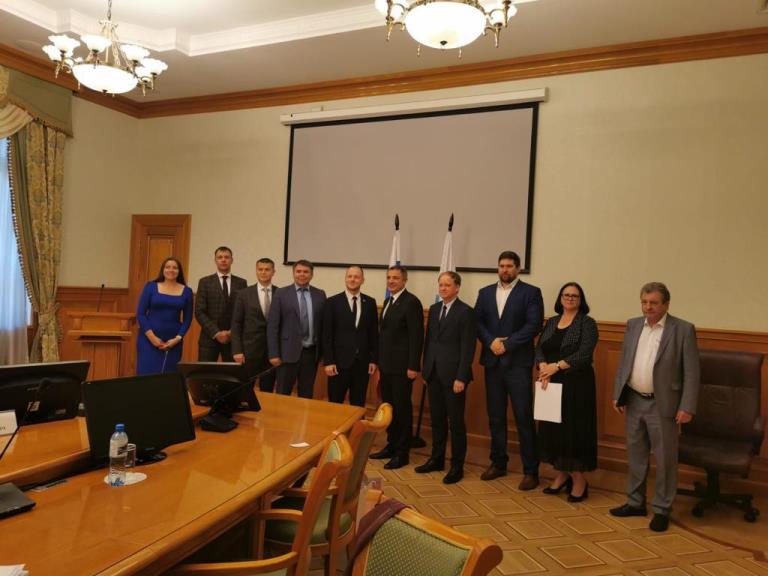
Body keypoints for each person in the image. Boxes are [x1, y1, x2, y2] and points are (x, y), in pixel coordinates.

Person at [611, 282, 700, 532]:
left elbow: (692, 372)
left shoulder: (683, 329)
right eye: (644, 302)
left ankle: (662, 509)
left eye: (653, 303)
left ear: (666, 304)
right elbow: (624, 361)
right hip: (634, 400)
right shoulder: (633, 325)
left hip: (665, 404)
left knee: (665, 459)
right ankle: (635, 502)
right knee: (636, 455)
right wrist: (617, 393)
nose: (647, 307)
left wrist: (687, 406)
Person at [474, 250, 544, 490]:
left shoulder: (531, 293)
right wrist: (491, 341)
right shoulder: (484, 293)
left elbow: (534, 325)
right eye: (501, 266)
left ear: (518, 269)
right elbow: (477, 323)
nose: (505, 270)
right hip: (492, 363)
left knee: (523, 418)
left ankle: (531, 471)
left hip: (518, 365)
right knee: (495, 417)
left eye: (509, 266)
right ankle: (498, 463)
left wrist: (507, 344)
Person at [536, 282, 598, 502]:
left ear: (581, 300)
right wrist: (543, 366)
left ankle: (579, 480)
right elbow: (540, 348)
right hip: (551, 383)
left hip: (577, 386)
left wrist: (557, 366)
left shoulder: (587, 323)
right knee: (554, 431)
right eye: (566, 295)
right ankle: (562, 474)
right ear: (560, 298)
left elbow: (584, 354)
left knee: (573, 431)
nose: (570, 298)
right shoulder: (552, 321)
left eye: (574, 296)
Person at [415, 271, 476, 484]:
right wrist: (426, 370)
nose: (443, 288)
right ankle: (436, 459)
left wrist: (461, 377)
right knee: (437, 420)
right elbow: (429, 342)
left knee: (456, 423)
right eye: (440, 285)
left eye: (447, 285)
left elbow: (468, 348)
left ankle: (457, 466)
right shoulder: (434, 310)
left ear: (457, 287)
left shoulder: (466, 312)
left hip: (454, 377)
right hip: (433, 374)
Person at [369, 265, 424, 470]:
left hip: (403, 368)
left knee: (402, 409)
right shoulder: (388, 301)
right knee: (389, 408)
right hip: (386, 366)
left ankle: (402, 452)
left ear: (404, 281)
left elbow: (417, 337)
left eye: (395, 278)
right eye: (389, 278)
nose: (391, 281)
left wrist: (413, 366)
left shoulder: (411, 302)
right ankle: (391, 445)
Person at [267, 259, 326, 398]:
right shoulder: (281, 293)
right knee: (283, 393)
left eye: (306, 272)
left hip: (311, 353)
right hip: (286, 353)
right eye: (298, 271)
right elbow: (273, 326)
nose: (302, 274)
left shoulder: (320, 294)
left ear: (311, 274)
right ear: (293, 273)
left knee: (306, 394)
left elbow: (323, 326)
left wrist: (324, 354)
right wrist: (273, 353)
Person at [322, 266, 378, 406]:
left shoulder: (370, 303)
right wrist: (328, 361)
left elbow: (373, 334)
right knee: (335, 404)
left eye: (356, 277)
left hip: (362, 364)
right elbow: (326, 334)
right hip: (337, 365)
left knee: (358, 404)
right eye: (350, 276)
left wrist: (373, 359)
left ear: (363, 280)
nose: (353, 279)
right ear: (345, 279)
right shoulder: (332, 302)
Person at [136, 257, 193, 375]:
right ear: (163, 270)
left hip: (173, 342)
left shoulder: (187, 291)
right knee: (146, 376)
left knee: (168, 377)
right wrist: (152, 338)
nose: (171, 270)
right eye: (167, 267)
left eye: (175, 268)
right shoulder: (150, 287)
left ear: (179, 271)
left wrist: (177, 339)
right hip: (149, 340)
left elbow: (187, 319)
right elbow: (141, 314)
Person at [231, 257, 278, 392]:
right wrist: (237, 350)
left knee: (268, 389)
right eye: (260, 269)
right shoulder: (244, 294)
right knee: (245, 388)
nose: (263, 272)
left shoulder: (281, 293)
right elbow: (236, 323)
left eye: (267, 269)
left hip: (272, 351)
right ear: (256, 271)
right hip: (249, 351)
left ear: (273, 272)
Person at [195, 246, 247, 362]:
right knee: (205, 372)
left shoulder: (241, 283)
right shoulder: (205, 282)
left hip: (233, 340)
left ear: (232, 260)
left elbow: (243, 312)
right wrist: (216, 333)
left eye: (226, 257)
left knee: (232, 373)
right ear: (215, 260)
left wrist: (231, 333)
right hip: (209, 338)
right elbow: (199, 311)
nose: (223, 260)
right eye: (220, 257)